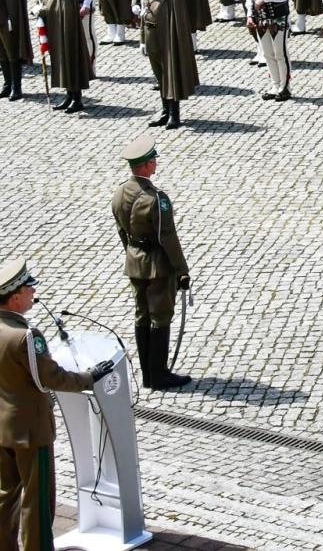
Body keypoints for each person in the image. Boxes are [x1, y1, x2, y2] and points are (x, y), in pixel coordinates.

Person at [0, 259, 114, 551]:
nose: (33, 294)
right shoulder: (26, 336)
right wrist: (90, 377)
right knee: (36, 500)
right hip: (30, 429)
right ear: (15, 296)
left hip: (2, 427)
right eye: (29, 289)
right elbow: (49, 379)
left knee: (5, 494)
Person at [110, 133, 192, 388]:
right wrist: (182, 270)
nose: (156, 162)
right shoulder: (156, 198)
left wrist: (132, 253)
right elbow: (167, 237)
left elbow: (122, 230)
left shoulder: (121, 192)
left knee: (141, 314)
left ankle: (147, 372)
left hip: (134, 260)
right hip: (157, 266)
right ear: (146, 165)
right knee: (160, 316)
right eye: (153, 159)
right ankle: (158, 373)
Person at [135, 0, 198, 128]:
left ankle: (174, 114)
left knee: (171, 76)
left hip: (168, 38)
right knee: (160, 76)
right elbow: (144, 16)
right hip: (151, 37)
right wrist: (142, 40)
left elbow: (179, 20)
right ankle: (164, 111)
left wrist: (177, 42)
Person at [36, 0, 93, 113]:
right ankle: (69, 95)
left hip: (67, 32)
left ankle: (76, 98)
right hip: (54, 31)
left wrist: (43, 10)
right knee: (60, 63)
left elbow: (65, 11)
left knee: (71, 62)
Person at [0, 0, 31, 101]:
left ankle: (16, 87)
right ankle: (7, 84)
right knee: (1, 53)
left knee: (12, 52)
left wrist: (13, 17)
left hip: (7, 17)